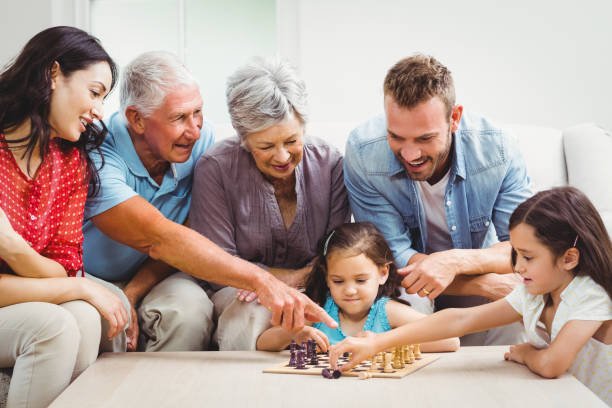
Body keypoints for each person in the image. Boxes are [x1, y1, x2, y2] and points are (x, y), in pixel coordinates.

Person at [82, 52, 336, 352]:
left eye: (198, 112)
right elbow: (159, 238)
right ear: (137, 119)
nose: (195, 130)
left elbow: (188, 230)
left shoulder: (198, 143)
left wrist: (136, 290)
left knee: (187, 313)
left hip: (159, 270)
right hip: (92, 274)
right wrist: (261, 280)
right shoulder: (98, 154)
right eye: (179, 118)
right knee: (113, 319)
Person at [330, 187, 611, 405]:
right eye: (514, 253)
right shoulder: (536, 293)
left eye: (527, 256)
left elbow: (551, 365)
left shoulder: (591, 294)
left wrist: (527, 353)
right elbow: (461, 319)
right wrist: (378, 342)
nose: (517, 266)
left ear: (569, 258)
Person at [344, 54, 531, 345]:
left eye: (424, 139)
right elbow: (391, 257)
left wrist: (456, 261)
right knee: (412, 303)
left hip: (478, 267)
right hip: (409, 283)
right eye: (396, 137)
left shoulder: (498, 151)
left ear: (454, 118)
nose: (409, 154)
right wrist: (482, 283)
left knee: (515, 307)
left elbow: (524, 248)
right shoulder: (363, 153)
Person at [0, 26, 128, 408]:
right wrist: (76, 286)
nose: (99, 111)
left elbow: (63, 269)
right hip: (21, 307)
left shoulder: (70, 163)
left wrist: (12, 247)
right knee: (53, 327)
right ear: (52, 74)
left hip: (20, 298)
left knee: (86, 318)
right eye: (94, 92)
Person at [189, 56, 350, 350]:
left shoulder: (330, 163)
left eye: (291, 141)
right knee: (250, 312)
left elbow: (336, 250)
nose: (282, 157)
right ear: (244, 138)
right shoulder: (216, 168)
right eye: (265, 146)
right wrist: (275, 281)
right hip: (242, 290)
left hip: (319, 283)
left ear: (303, 125)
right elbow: (220, 263)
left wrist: (301, 281)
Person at [256, 222, 459, 353]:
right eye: (338, 281)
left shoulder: (386, 312)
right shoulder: (318, 311)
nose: (350, 290)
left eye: (360, 280)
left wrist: (382, 343)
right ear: (326, 277)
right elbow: (263, 343)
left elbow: (450, 340)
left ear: (382, 273)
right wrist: (293, 333)